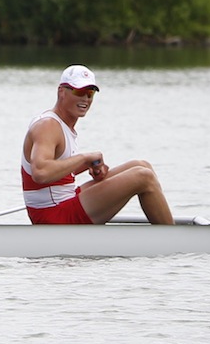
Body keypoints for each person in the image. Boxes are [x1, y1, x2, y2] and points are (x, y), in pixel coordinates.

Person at [20, 64, 173, 224]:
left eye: (90, 93)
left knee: (142, 165)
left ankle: (164, 231)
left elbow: (55, 173)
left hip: (64, 200)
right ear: (61, 91)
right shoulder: (48, 125)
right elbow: (40, 173)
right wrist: (85, 158)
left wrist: (89, 165)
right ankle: (173, 241)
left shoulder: (63, 124)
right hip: (53, 215)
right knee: (144, 177)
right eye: (79, 92)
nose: (85, 99)